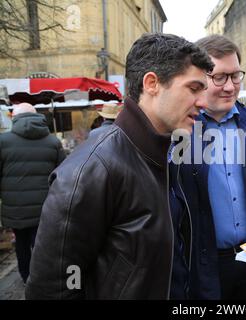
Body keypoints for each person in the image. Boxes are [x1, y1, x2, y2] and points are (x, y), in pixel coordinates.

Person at [25, 33, 214, 299]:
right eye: (194, 89)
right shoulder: (92, 170)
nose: (204, 103)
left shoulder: (165, 153)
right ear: (152, 84)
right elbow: (57, 286)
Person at [169, 35, 246, 300]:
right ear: (200, 79)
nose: (230, 86)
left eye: (235, 76)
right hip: (206, 264)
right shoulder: (183, 130)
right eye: (219, 77)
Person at [0, 103, 66, 284]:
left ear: (15, 117)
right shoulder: (53, 142)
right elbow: (63, 174)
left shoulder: (3, 141)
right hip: (45, 205)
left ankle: (26, 276)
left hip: (15, 207)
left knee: (20, 244)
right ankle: (43, 277)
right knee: (41, 243)